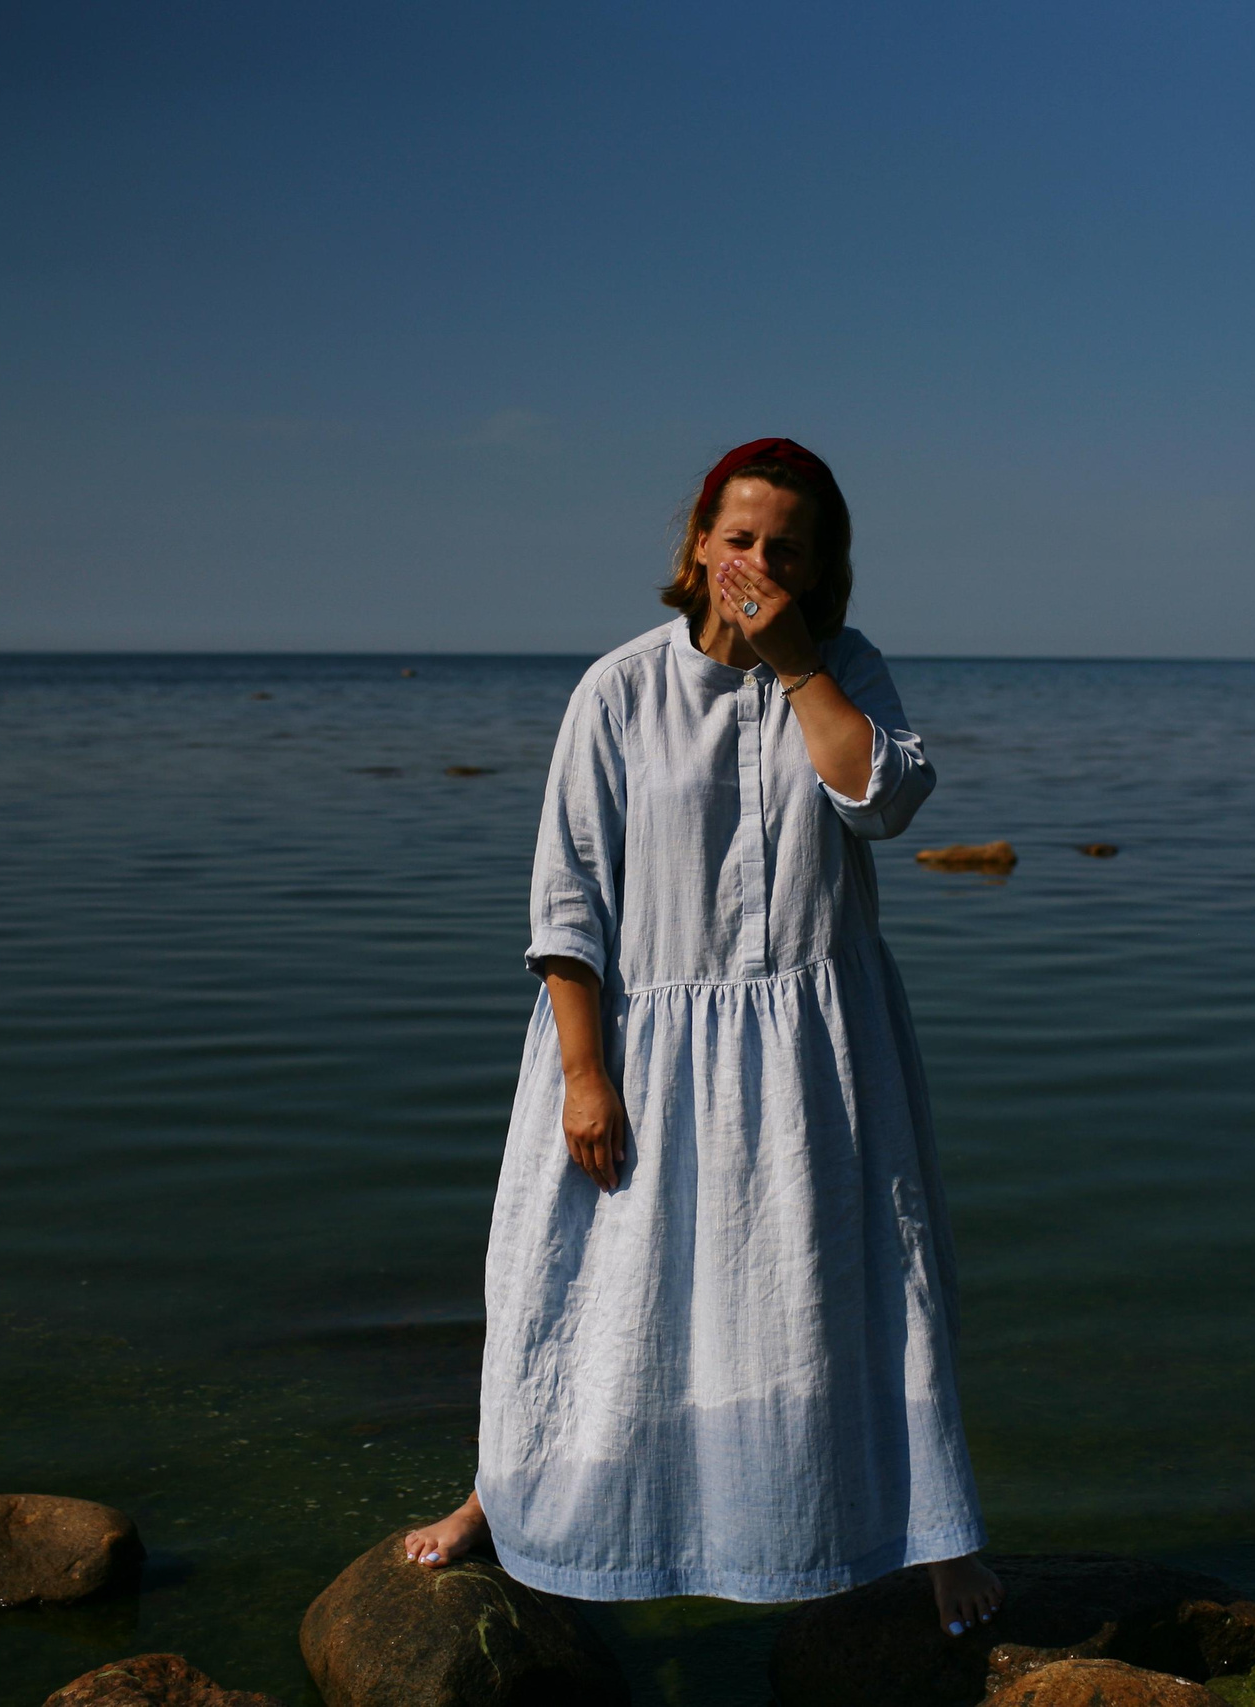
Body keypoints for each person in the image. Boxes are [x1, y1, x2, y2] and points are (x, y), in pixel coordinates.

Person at [401, 438, 1003, 1638]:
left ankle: (929, 1531)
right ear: (696, 545)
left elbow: (881, 803)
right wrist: (585, 1075)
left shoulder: (844, 670)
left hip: (814, 1048)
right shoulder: (619, 688)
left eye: (786, 548)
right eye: (738, 539)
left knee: (851, 1285)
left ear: (819, 568)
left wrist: (792, 663)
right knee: (583, 1288)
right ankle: (502, 1499)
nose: (756, 564)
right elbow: (566, 898)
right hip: (641, 1043)